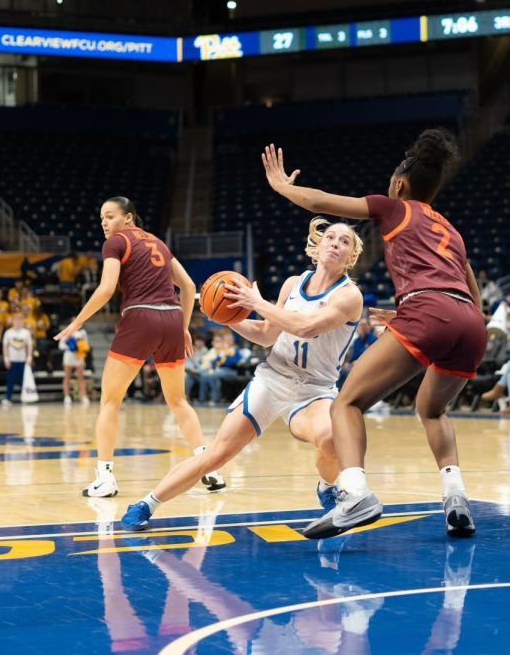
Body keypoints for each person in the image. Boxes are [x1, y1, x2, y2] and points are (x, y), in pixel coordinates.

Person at [257, 130, 487, 539]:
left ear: (400, 184)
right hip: (470, 324)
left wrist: (281, 187)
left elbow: (322, 203)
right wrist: (418, 308)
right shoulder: (451, 230)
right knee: (432, 409)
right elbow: (468, 292)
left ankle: (355, 493)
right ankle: (456, 496)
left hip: (430, 311)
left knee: (346, 402)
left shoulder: (393, 207)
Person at [120, 218, 364, 530]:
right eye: (330, 237)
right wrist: (226, 318)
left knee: (330, 438)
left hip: (314, 389)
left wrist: (257, 302)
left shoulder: (349, 295)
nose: (335, 243)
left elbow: (305, 327)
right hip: (273, 378)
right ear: (316, 247)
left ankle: (327, 488)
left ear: (351, 256)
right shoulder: (292, 284)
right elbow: (266, 334)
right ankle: (147, 503)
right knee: (216, 455)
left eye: (344, 241)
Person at [53, 196, 224, 498]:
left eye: (110, 216)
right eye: (102, 218)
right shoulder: (158, 242)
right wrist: (183, 327)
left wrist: (78, 321)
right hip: (171, 318)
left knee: (110, 401)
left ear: (129, 218)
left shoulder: (116, 242)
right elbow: (188, 287)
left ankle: (105, 477)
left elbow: (106, 289)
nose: (104, 223)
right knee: (178, 401)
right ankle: (209, 467)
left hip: (140, 316)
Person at [2, 312, 35, 405]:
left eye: (20, 320)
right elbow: (5, 346)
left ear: (22, 321)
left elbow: (29, 345)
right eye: (16, 320)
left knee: (23, 380)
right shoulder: (8, 333)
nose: (18, 322)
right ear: (12, 321)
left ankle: (24, 397)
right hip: (12, 360)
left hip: (23, 360)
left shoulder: (26, 332)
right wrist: (6, 358)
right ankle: (8, 398)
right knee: (10, 380)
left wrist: (29, 356)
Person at [59, 326, 91, 404]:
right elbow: (61, 345)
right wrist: (69, 346)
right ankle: (67, 396)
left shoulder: (82, 333)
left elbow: (86, 344)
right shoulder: (66, 332)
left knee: (81, 377)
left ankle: (83, 396)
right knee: (67, 377)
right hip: (69, 356)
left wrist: (79, 346)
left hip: (78, 356)